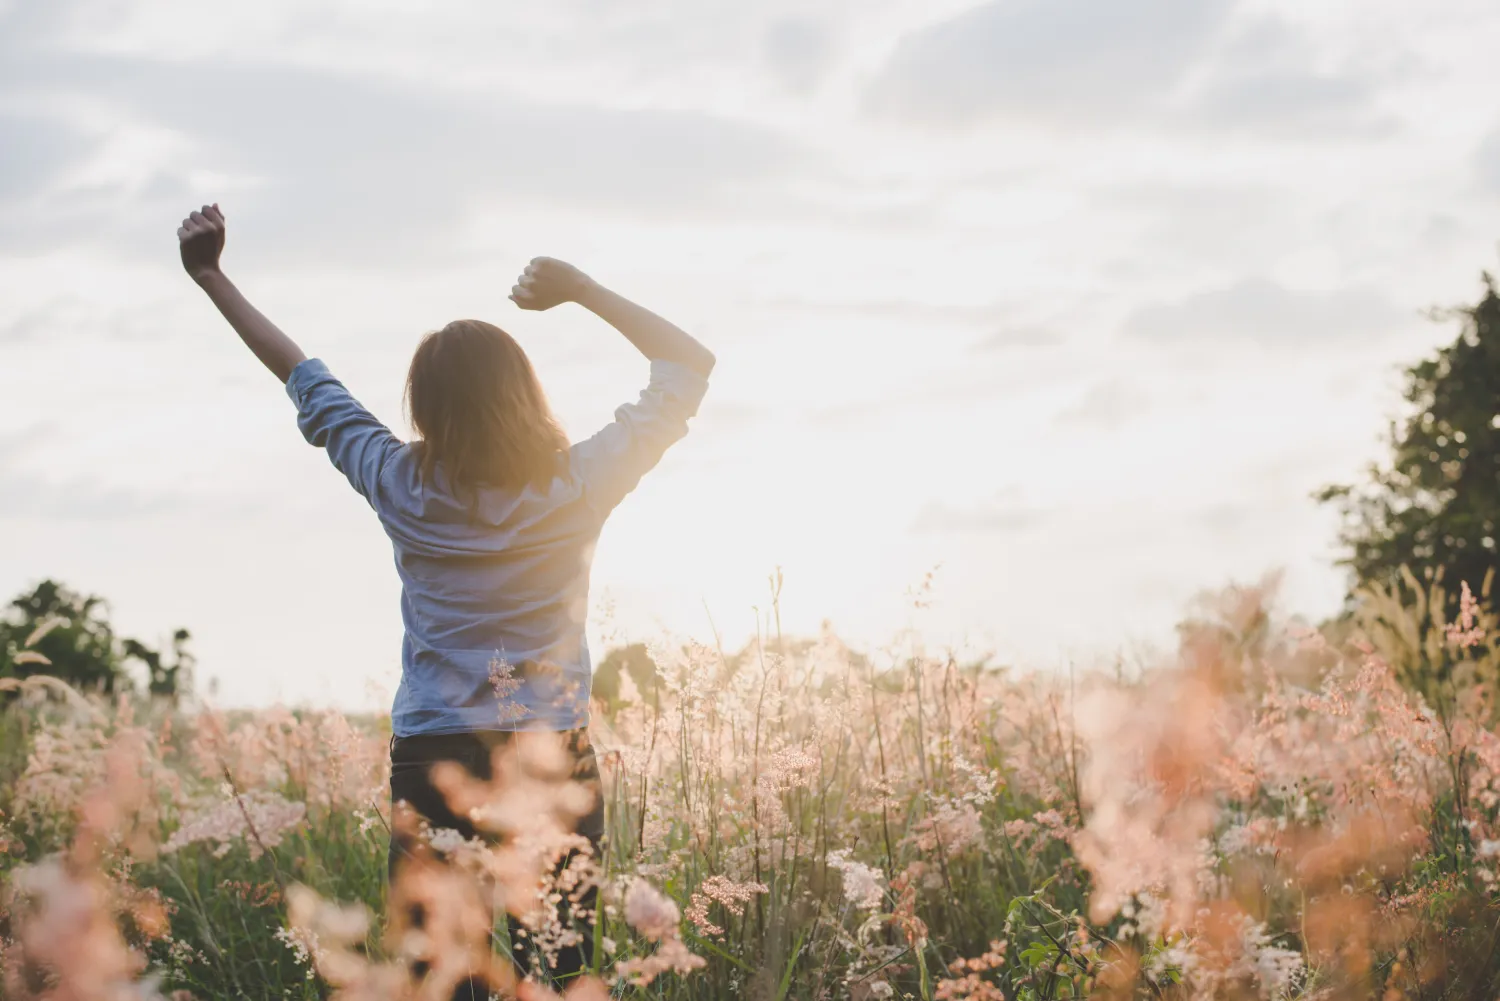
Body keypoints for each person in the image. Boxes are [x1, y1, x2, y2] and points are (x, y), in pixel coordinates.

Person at [176, 204, 713, 994]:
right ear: (525, 395)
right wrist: (581, 289)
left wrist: (210, 275)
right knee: (558, 971)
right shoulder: (577, 485)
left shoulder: (399, 482)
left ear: (425, 408)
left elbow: (301, 375)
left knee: (439, 976)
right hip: (551, 756)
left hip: (433, 756)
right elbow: (688, 366)